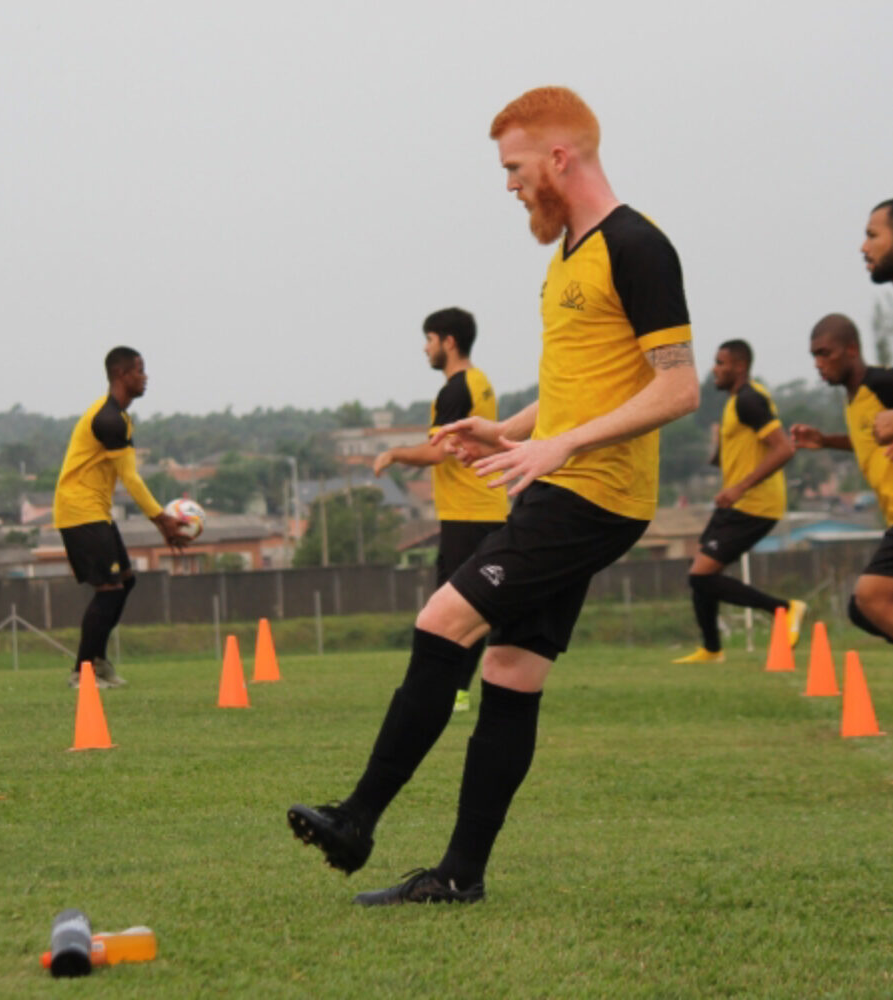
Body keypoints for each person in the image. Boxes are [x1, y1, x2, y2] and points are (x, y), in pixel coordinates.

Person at [288, 86, 699, 904]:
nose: (508, 184)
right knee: (511, 672)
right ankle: (457, 877)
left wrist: (562, 446)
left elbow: (678, 387)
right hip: (560, 482)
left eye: (513, 167)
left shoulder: (637, 245)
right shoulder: (568, 254)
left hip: (590, 495)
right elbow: (584, 388)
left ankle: (356, 819)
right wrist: (506, 430)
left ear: (558, 157)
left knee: (442, 619)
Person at [373, 307, 508, 711]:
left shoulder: (455, 390)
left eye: (429, 340)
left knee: (452, 607)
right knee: (474, 603)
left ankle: (452, 691)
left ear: (448, 341)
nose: (425, 348)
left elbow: (436, 453)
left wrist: (394, 453)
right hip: (487, 506)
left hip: (467, 512)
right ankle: (458, 689)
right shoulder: (481, 381)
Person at [53, 347, 189, 689]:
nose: (145, 377)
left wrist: (161, 521)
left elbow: (127, 477)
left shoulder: (119, 417)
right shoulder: (108, 419)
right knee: (109, 588)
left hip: (95, 511)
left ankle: (97, 662)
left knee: (125, 582)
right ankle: (82, 672)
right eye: (140, 370)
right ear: (121, 375)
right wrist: (162, 520)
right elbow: (131, 479)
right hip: (79, 511)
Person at [672, 341, 803, 663]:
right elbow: (742, 453)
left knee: (701, 576)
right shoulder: (735, 403)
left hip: (754, 504)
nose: (714, 368)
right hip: (736, 502)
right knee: (699, 572)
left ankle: (784, 609)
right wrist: (719, 452)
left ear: (739, 366)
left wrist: (740, 487)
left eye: (721, 362)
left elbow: (783, 448)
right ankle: (711, 649)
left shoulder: (749, 400)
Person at [790, 312, 893, 641]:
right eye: (814, 356)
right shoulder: (854, 398)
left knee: (871, 597)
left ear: (851, 349)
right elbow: (868, 441)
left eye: (825, 353)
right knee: (862, 610)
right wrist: (825, 441)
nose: (818, 363)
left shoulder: (882, 384)